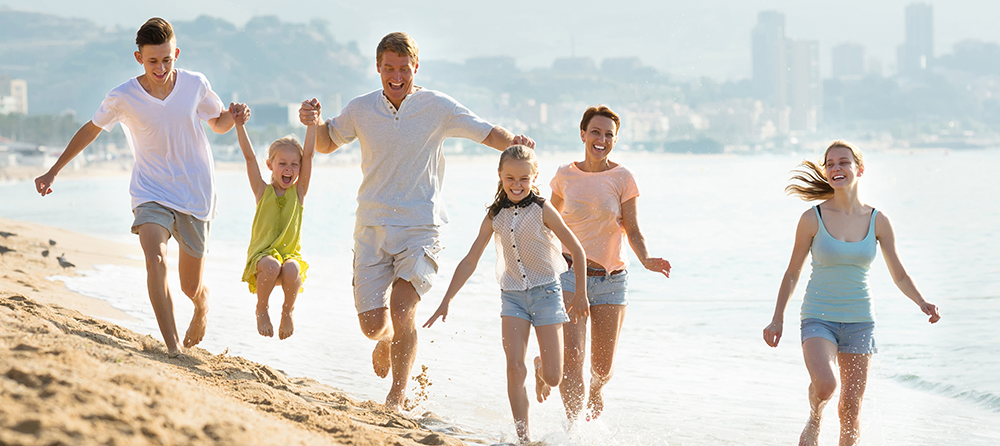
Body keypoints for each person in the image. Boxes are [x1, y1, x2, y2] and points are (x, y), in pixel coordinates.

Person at [297, 31, 534, 411]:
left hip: (420, 226)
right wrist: (314, 121)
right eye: (388, 68)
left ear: (415, 67)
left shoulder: (436, 106)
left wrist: (517, 145)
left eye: (403, 69)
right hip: (371, 225)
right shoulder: (361, 108)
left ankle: (397, 394)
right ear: (378, 68)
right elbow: (326, 141)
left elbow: (486, 131)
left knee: (403, 305)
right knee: (373, 325)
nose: (396, 76)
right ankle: (385, 341)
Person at [34, 17, 234, 356]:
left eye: (167, 59)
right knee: (155, 259)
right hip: (151, 191)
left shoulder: (195, 84)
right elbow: (91, 130)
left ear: (177, 53)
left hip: (196, 192)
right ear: (139, 57)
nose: (161, 67)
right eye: (153, 60)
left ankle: (202, 305)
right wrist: (53, 171)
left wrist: (236, 116)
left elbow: (218, 124)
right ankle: (172, 347)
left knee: (190, 286)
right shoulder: (123, 96)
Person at [762, 140, 941, 446]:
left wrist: (922, 301)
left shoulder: (878, 220)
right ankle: (815, 417)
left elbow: (899, 273)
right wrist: (777, 318)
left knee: (850, 409)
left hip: (860, 321)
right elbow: (792, 272)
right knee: (826, 385)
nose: (836, 168)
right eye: (830, 164)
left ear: (859, 169)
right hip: (818, 317)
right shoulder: (811, 218)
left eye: (843, 162)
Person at [423, 145, 588, 443]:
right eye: (510, 177)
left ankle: (540, 366)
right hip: (512, 297)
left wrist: (581, 295)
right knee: (513, 367)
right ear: (500, 176)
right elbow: (470, 259)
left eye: (524, 178)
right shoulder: (494, 216)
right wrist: (446, 300)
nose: (516, 184)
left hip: (547, 293)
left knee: (554, 377)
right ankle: (523, 437)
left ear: (534, 177)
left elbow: (576, 249)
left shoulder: (542, 209)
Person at [549, 105, 671, 423]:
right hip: (569, 274)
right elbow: (547, 220)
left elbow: (632, 228)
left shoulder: (623, 178)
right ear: (583, 134)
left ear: (614, 140)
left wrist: (645, 258)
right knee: (573, 357)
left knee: (601, 368)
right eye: (595, 132)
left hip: (611, 279)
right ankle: (573, 433)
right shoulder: (565, 175)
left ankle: (596, 389)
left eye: (608, 134)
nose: (601, 139)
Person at [231, 103, 315, 340]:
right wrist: (239, 125)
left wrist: (310, 125)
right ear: (270, 165)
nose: (289, 169)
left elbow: (309, 155)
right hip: (263, 260)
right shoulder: (262, 191)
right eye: (282, 163)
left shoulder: (299, 193)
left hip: (288, 257)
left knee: (292, 267)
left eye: (294, 164)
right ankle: (262, 308)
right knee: (271, 265)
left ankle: (287, 311)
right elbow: (248, 158)